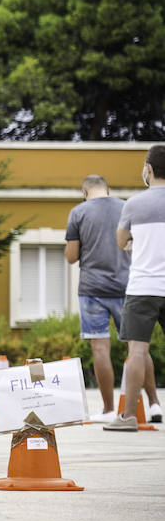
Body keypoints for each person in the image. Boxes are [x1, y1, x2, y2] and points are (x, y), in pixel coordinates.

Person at [67, 174, 160, 422]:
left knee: (100, 348)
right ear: (108, 190)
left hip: (91, 289)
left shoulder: (78, 212)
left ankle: (108, 409)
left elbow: (71, 256)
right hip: (126, 286)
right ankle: (154, 404)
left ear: (85, 192)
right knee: (138, 347)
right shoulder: (127, 206)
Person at [106, 146, 165, 432]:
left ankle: (128, 416)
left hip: (143, 286)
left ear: (149, 170)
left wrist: (136, 242)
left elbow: (121, 241)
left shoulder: (134, 204)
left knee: (138, 351)